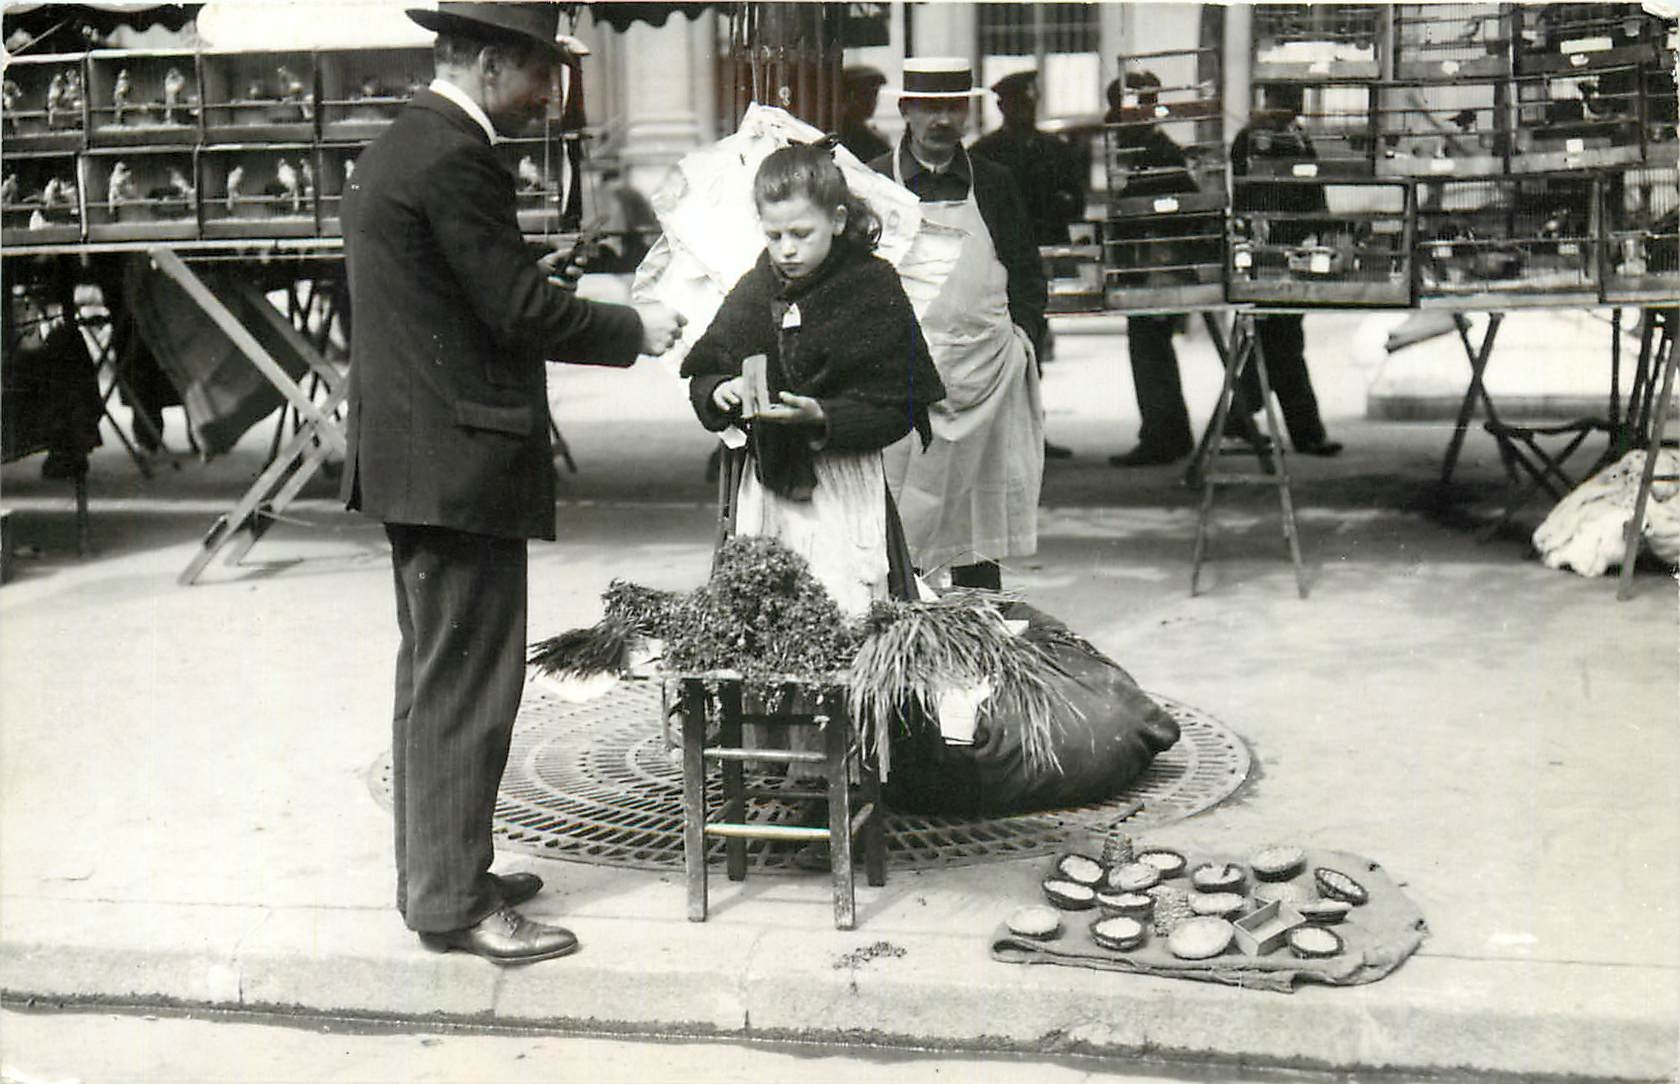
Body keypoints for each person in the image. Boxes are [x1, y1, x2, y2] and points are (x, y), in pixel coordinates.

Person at [340, 1, 683, 966]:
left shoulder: (400, 145)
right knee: (469, 688)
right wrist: (636, 328)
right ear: (491, 63)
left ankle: (442, 875)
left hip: (416, 458)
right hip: (457, 461)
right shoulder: (455, 156)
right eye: (541, 73)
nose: (549, 94)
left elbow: (454, 292)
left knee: (433, 681)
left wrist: (532, 277)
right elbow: (517, 310)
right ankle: (453, 905)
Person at [681, 142, 944, 615]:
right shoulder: (756, 287)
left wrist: (824, 415)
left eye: (802, 233)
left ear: (838, 221)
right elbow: (705, 368)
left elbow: (901, 405)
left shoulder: (873, 286)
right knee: (767, 618)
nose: (787, 249)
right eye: (774, 234)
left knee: (849, 614)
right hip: (766, 494)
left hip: (845, 491)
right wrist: (722, 390)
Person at [870, 57, 1046, 592]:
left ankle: (979, 621)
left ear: (968, 112)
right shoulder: (875, 182)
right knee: (904, 509)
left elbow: (1027, 272)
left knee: (979, 509)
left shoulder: (994, 182)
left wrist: (1022, 341)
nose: (942, 120)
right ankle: (907, 625)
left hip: (987, 375)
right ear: (906, 111)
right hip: (905, 375)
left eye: (953, 107)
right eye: (929, 108)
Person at [970, 68, 1083, 459]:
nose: (1025, 110)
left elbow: (1076, 201)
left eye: (1030, 102)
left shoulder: (1055, 148)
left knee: (1033, 345)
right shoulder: (984, 153)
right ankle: (999, 433)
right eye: (1017, 103)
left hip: (1042, 259)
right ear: (1002, 106)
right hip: (1000, 262)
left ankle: (1032, 430)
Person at [1229, 83, 1343, 458]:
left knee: (1269, 341)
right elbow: (1245, 192)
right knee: (1284, 344)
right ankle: (1306, 432)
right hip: (1264, 252)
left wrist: (1322, 231)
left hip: (1297, 250)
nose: (1293, 110)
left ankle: (1238, 420)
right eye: (1287, 102)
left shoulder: (1297, 138)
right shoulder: (1251, 139)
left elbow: (1316, 191)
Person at [1104, 71, 1199, 468]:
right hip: (1148, 264)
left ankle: (1162, 436)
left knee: (1149, 351)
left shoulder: (1158, 152)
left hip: (1158, 266)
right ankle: (1171, 433)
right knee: (1153, 350)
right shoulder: (1140, 147)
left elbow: (1183, 204)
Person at [837, 66, 891, 164]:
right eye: (865, 94)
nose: (871, 101)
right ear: (849, 96)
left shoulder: (873, 138)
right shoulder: (846, 132)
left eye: (874, 94)